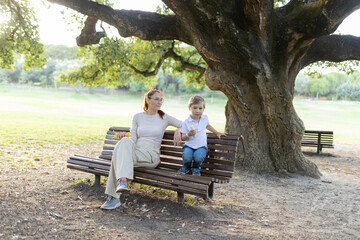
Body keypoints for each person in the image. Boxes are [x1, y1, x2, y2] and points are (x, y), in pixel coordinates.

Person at [101, 88, 182, 210]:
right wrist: (124, 139)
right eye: (156, 99)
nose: (159, 102)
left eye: (161, 100)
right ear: (148, 100)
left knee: (118, 156)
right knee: (124, 142)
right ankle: (122, 182)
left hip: (151, 155)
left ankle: (114, 197)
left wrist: (179, 129)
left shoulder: (164, 117)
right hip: (136, 151)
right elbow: (133, 138)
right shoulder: (137, 117)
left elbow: (185, 124)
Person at [178, 95, 225, 176]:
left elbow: (208, 126)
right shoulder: (187, 122)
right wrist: (189, 134)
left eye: (200, 108)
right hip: (189, 145)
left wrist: (217, 132)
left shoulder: (204, 118)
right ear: (190, 108)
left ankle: (196, 168)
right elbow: (183, 137)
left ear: (203, 109)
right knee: (187, 157)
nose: (197, 111)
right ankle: (186, 167)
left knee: (198, 157)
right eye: (195, 108)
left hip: (201, 146)